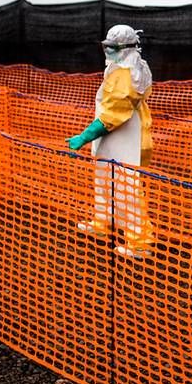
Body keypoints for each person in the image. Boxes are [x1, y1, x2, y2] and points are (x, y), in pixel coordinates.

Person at [67, 24, 155, 258]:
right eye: (107, 46)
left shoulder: (125, 74)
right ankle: (103, 222)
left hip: (125, 139)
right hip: (114, 138)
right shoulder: (122, 68)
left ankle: (140, 241)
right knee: (106, 181)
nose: (108, 52)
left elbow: (113, 114)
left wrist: (84, 136)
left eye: (112, 47)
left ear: (126, 48)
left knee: (127, 188)